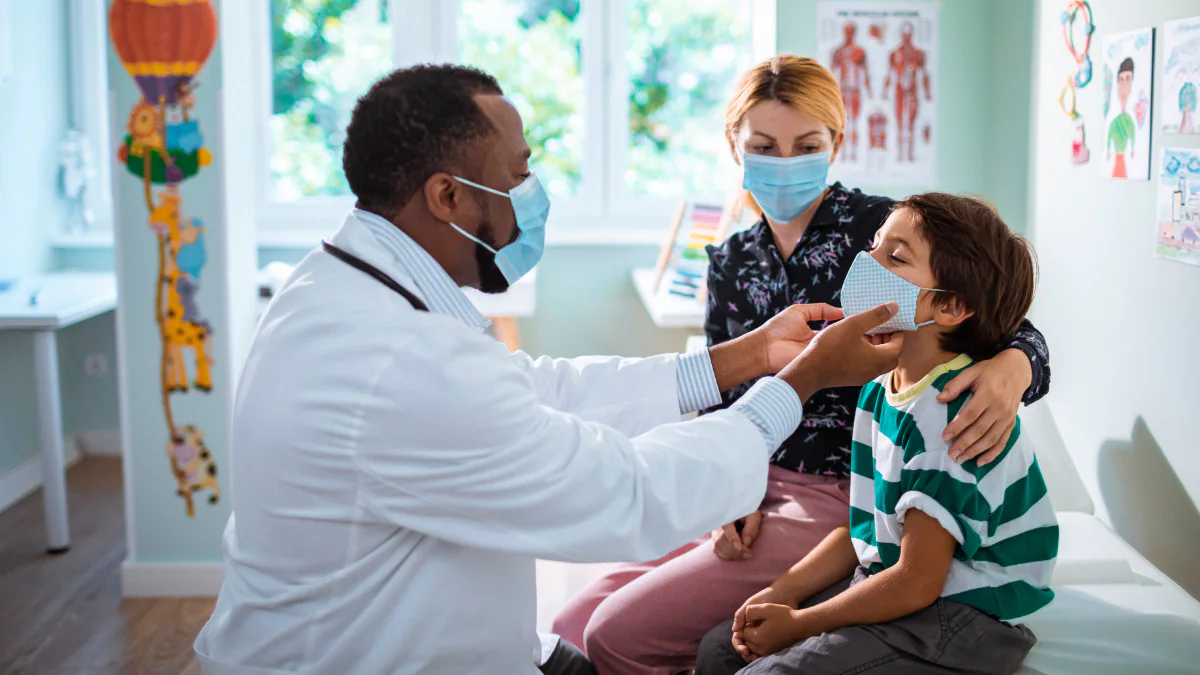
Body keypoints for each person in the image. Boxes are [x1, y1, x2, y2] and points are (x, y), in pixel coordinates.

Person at [191, 64, 911, 675]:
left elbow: (541, 387)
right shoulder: (395, 362)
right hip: (361, 655)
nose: (534, 193)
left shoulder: (343, 291)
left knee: (596, 636)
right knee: (593, 632)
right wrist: (800, 380)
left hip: (826, 492)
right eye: (520, 172)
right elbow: (630, 495)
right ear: (447, 196)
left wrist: (749, 356)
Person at [552, 55, 1051, 675]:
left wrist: (1014, 369)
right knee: (570, 625)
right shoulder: (733, 258)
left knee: (615, 635)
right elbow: (720, 393)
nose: (784, 163)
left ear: (835, 143)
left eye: (806, 145)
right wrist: (731, 482)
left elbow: (1001, 318)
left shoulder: (883, 229)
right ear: (734, 147)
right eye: (764, 146)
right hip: (753, 476)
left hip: (844, 489)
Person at [695, 193, 1058, 674]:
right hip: (899, 579)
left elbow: (916, 581)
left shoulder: (951, 414)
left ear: (950, 306)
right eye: (874, 245)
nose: (866, 263)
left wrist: (801, 623)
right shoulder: (879, 391)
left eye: (896, 256)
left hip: (962, 616)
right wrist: (786, 590)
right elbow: (865, 531)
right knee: (720, 651)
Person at [1107, 57, 1136, 179]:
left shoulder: (1130, 119)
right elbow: (1109, 135)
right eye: (1121, 80)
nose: (1124, 85)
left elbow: (1132, 134)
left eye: (1128, 79)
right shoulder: (1114, 119)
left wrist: (1132, 148)